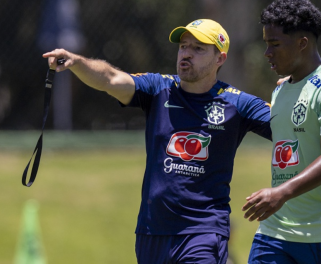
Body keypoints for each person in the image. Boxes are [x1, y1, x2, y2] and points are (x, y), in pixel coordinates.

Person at [43, 19, 271, 264]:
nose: (186, 53)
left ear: (220, 59)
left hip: (202, 232)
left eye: (198, 49)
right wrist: (77, 63)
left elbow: (292, 130)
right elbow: (110, 79)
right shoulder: (158, 88)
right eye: (184, 46)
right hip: (151, 232)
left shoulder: (238, 103)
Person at [242, 0, 321, 264]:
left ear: (302, 43)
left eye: (274, 44)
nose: (267, 53)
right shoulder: (280, 88)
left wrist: (280, 193)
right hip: (275, 233)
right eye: (266, 44)